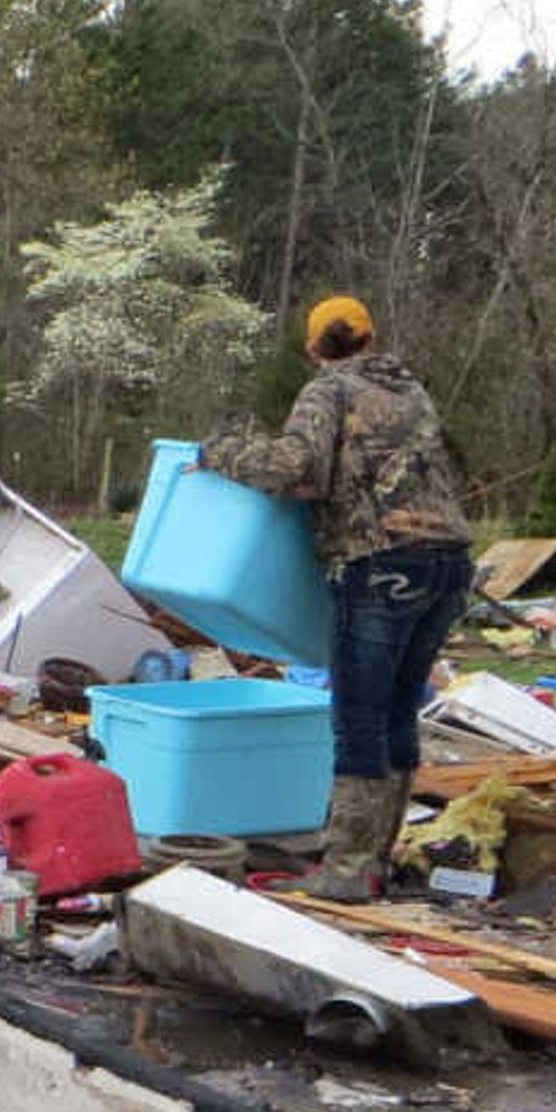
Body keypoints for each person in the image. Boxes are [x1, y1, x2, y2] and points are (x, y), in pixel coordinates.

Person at [206, 296, 472, 902]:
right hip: (448, 563)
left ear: (315, 348)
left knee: (358, 717)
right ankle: (375, 858)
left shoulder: (328, 391)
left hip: (380, 562)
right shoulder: (413, 392)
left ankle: (348, 871)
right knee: (399, 710)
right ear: (371, 338)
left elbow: (292, 467)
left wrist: (219, 451)